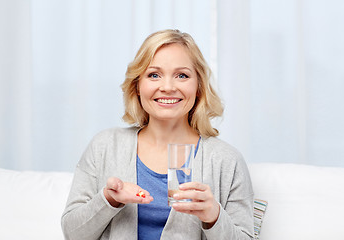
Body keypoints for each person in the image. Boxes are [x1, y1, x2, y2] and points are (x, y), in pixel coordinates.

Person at [61, 29, 254, 240]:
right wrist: (108, 200)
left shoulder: (227, 160)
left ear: (198, 86)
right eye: (154, 75)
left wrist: (214, 217)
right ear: (137, 86)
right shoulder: (105, 146)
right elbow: (73, 234)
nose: (168, 87)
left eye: (182, 75)